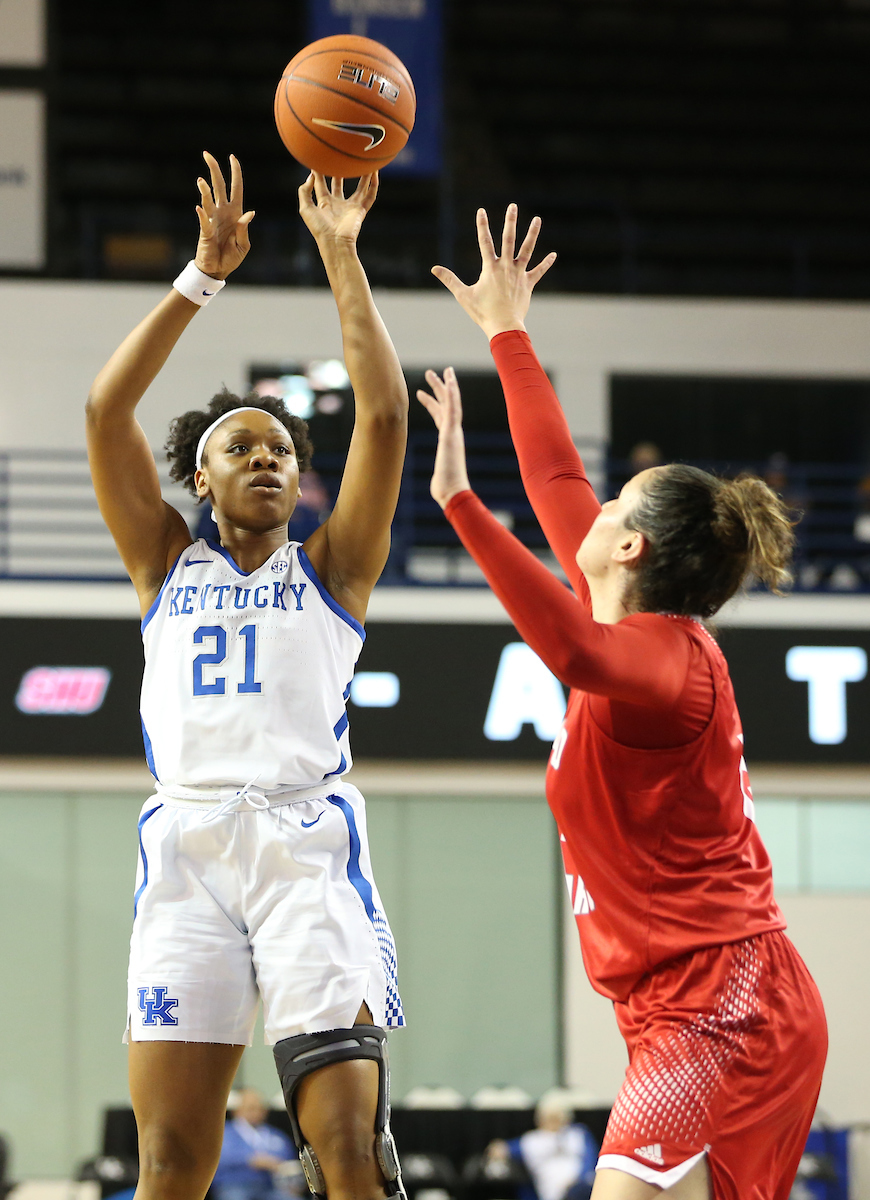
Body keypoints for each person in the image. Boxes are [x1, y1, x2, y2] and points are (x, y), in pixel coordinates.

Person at [416, 205, 827, 1200]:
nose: (589, 508)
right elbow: (555, 472)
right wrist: (507, 333)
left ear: (630, 547)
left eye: (612, 505)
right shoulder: (632, 630)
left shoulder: (667, 668)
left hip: (722, 999)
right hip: (680, 1000)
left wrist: (461, 503)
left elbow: (566, 646)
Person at [86, 153, 408, 1200]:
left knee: (348, 1152)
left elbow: (385, 416)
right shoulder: (162, 564)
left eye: (281, 449)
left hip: (305, 848)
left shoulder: (334, 568)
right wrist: (202, 278)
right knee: (172, 1161)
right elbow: (105, 411)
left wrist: (339, 252)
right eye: (242, 447)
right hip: (186, 849)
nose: (267, 458)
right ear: (202, 475)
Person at [486, 1092, 597, 1200]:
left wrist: (578, 1180)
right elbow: (500, 1148)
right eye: (550, 1117)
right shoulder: (531, 1140)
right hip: (556, 1194)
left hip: (583, 1187)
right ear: (540, 1119)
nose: (554, 1121)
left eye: (557, 1116)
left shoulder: (578, 1134)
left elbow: (590, 1161)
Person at [212, 1089, 296, 1200]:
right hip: (233, 1186)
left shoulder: (276, 1135)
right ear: (237, 1111)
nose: (256, 1113)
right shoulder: (224, 1133)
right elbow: (219, 1158)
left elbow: (289, 1160)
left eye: (260, 1109)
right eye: (251, 1108)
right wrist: (251, 1160)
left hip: (269, 1187)